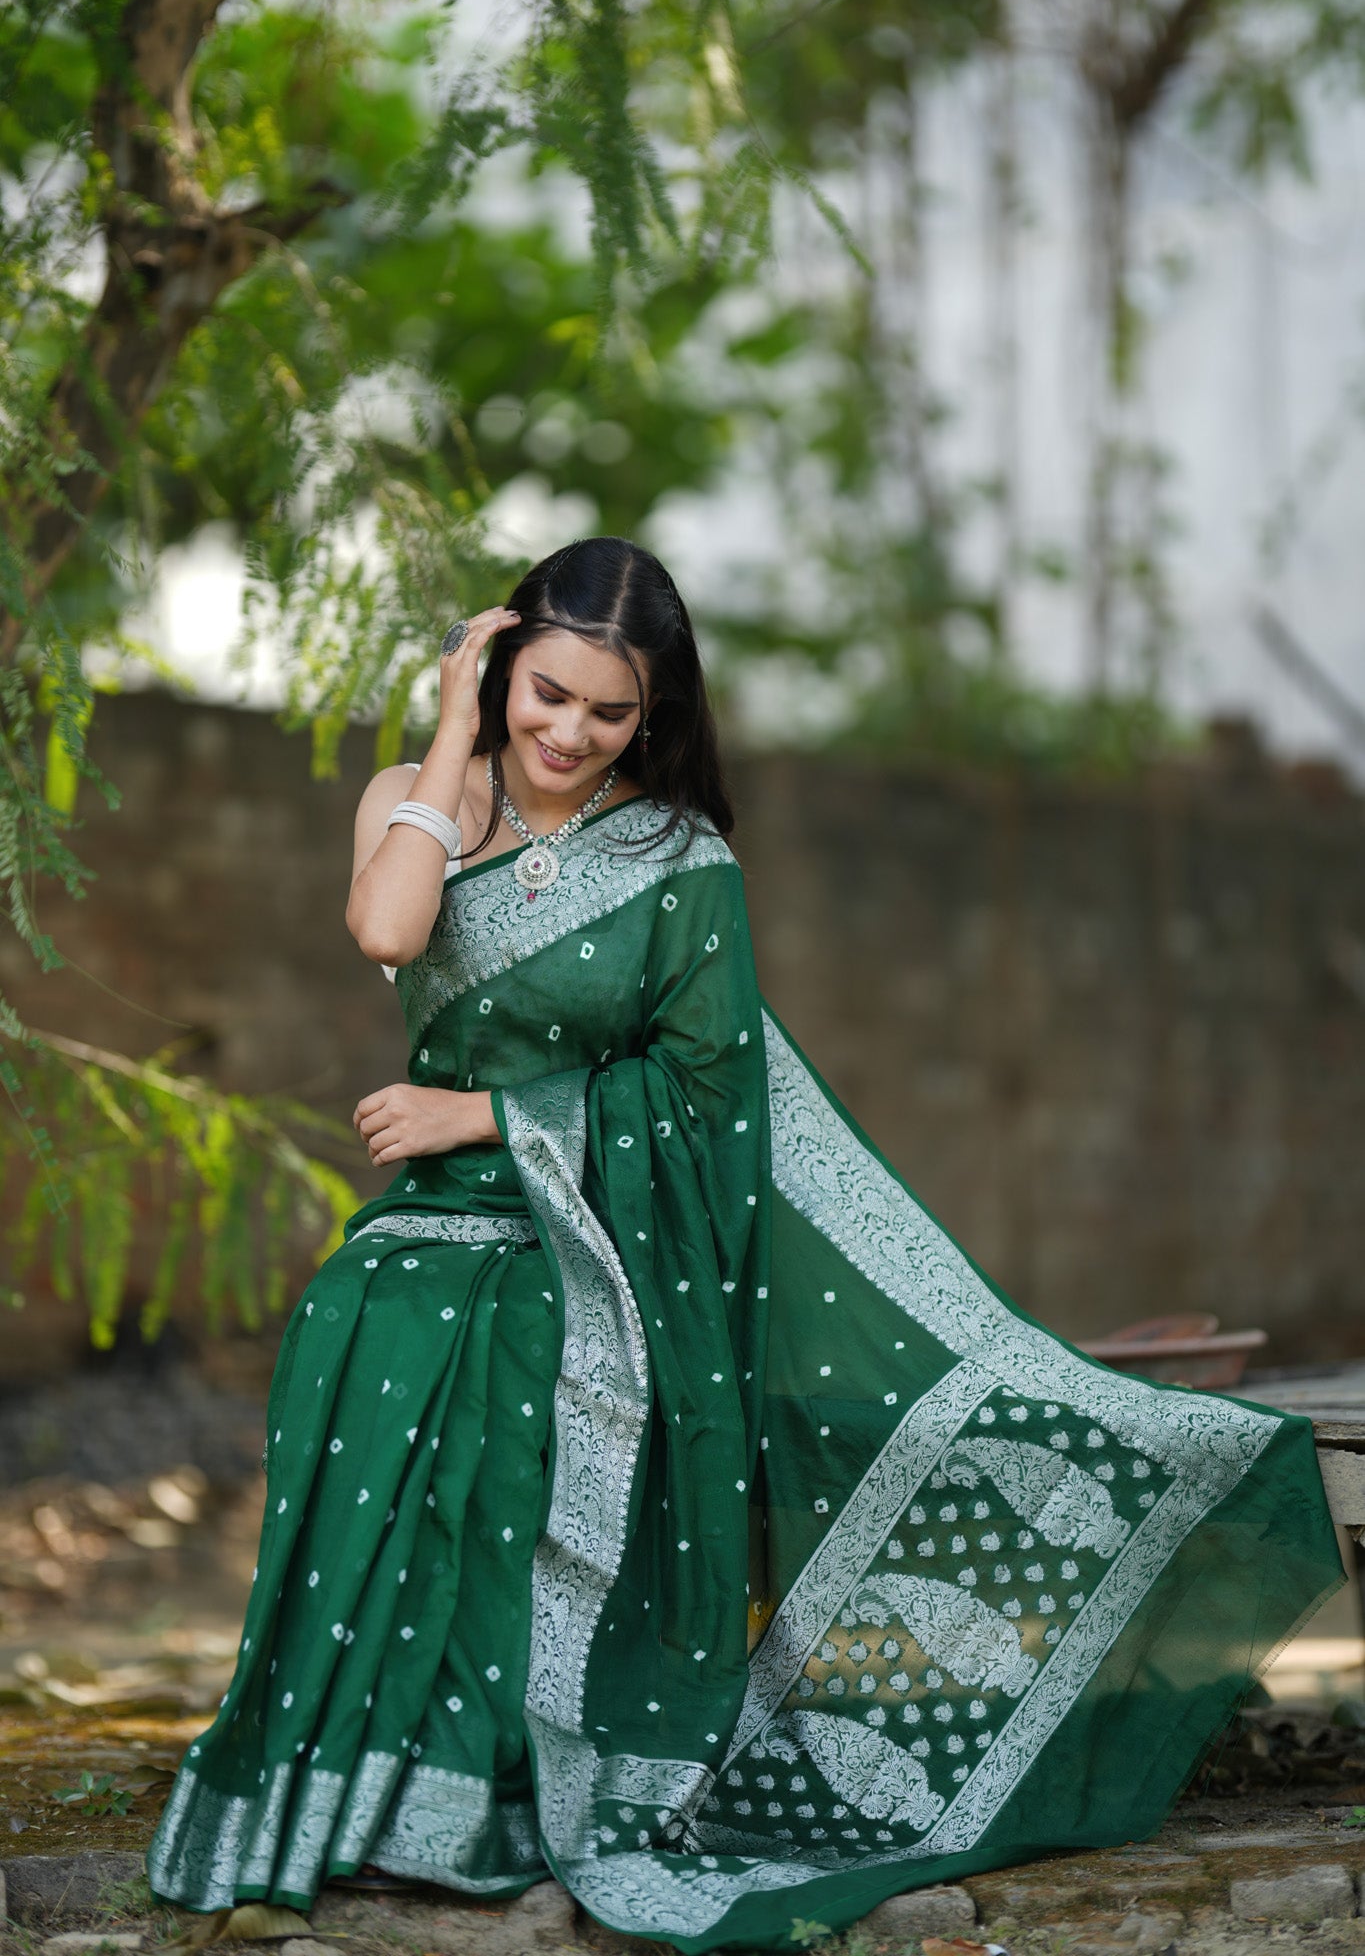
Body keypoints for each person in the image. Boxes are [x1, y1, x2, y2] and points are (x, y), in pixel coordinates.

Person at [147, 537, 1342, 1953]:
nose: (569, 734)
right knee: (365, 1318)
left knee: (520, 1340)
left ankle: (511, 1789)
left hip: (599, 1243)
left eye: (611, 713)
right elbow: (386, 928)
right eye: (545, 694)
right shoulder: (417, 802)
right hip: (424, 1230)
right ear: (502, 670)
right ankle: (360, 1793)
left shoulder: (677, 861)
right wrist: (453, 722)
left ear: (653, 717)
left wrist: (486, 1113)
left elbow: (709, 1098)